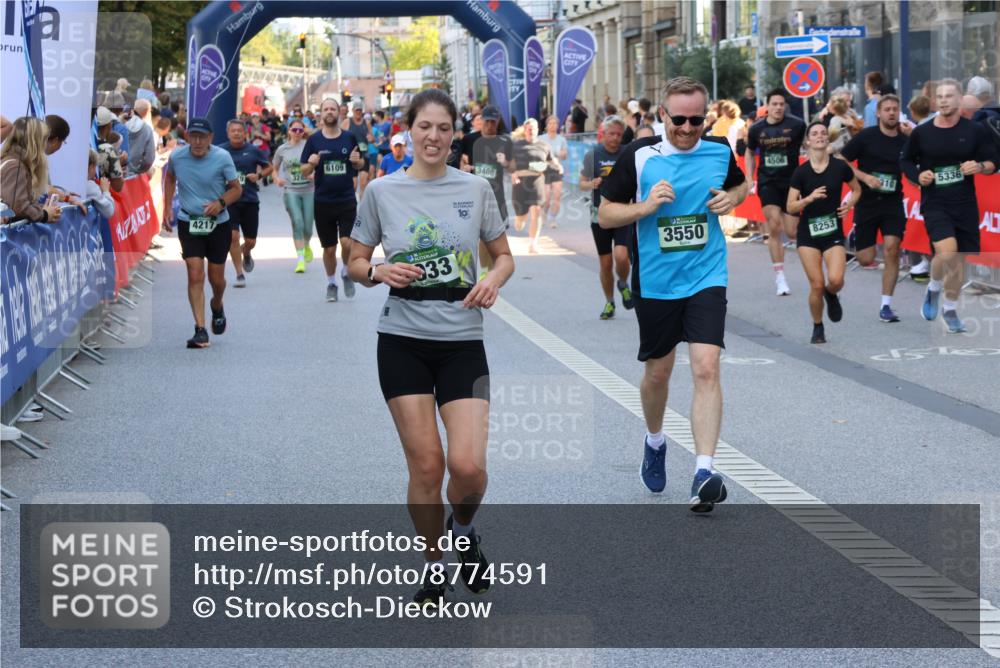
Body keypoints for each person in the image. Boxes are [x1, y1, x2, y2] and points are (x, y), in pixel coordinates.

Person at [347, 88, 514, 607]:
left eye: (443, 128)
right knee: (426, 466)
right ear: (409, 130)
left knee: (468, 467)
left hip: (462, 340)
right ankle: (434, 566)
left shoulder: (475, 189)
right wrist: (376, 271)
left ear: (454, 133)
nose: (434, 137)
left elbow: (504, 256)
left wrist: (492, 280)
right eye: (425, 127)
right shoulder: (381, 191)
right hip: (402, 340)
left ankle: (463, 531)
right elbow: (354, 260)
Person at [598, 76, 748, 511]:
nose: (686, 128)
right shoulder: (639, 155)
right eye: (678, 119)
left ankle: (704, 472)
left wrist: (732, 198)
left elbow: (741, 184)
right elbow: (605, 214)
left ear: (706, 118)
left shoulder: (719, 150)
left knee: (706, 368)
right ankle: (655, 440)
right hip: (656, 282)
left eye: (695, 120)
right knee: (658, 374)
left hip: (707, 274)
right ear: (663, 115)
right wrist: (645, 207)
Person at [901, 78, 998, 333]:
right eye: (940, 96)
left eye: (949, 96)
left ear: (960, 99)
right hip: (936, 202)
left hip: (965, 204)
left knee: (959, 264)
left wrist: (980, 166)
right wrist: (918, 176)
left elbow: (993, 161)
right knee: (947, 253)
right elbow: (906, 161)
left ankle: (951, 309)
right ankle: (934, 287)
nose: (943, 100)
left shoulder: (975, 130)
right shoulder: (922, 132)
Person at [161, 118, 242, 349]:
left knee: (217, 279)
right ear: (187, 137)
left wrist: (220, 203)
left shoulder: (222, 157)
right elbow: (170, 177)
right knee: (195, 273)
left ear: (210, 138)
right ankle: (200, 329)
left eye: (202, 137)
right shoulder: (177, 157)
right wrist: (167, 207)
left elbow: (236, 189)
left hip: (218, 224)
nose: (197, 141)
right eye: (193, 136)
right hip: (189, 221)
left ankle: (217, 304)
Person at [787, 123, 861, 343]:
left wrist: (848, 206)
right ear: (808, 141)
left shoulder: (840, 167)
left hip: (832, 231)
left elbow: (857, 190)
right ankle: (818, 326)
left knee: (836, 280)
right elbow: (790, 206)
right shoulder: (801, 172)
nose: (819, 136)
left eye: (823, 133)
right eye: (814, 134)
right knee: (817, 284)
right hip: (808, 234)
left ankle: (832, 293)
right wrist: (808, 199)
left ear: (828, 139)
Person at [838, 94, 909, 322]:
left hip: (892, 202)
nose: (891, 113)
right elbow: (841, 159)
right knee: (865, 258)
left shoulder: (905, 140)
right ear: (878, 113)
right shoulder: (866, 136)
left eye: (895, 109)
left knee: (892, 249)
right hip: (867, 202)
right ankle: (856, 236)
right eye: (887, 109)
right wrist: (864, 177)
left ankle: (886, 305)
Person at [300, 97, 366, 302]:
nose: (329, 112)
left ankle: (346, 271)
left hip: (346, 199)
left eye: (333, 109)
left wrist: (357, 162)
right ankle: (331, 283)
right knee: (329, 249)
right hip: (323, 201)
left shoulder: (349, 137)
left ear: (339, 113)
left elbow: (360, 163)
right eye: (326, 109)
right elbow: (303, 171)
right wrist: (311, 164)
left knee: (347, 242)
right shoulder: (314, 140)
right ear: (321, 114)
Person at [745, 89, 806, 296]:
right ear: (768, 106)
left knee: (791, 231)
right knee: (774, 224)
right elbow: (749, 152)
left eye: (781, 104)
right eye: (775, 104)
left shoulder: (797, 125)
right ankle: (780, 277)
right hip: (768, 181)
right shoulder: (756, 129)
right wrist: (749, 177)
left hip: (792, 183)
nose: (778, 107)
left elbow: (807, 146)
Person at [581, 115, 632, 320]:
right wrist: (591, 183)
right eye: (612, 134)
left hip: (622, 211)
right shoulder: (593, 154)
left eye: (619, 135)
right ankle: (609, 302)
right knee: (605, 263)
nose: (615, 138)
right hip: (599, 213)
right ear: (603, 134)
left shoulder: (627, 153)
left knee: (621, 255)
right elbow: (581, 183)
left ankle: (623, 283)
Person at [460, 105, 512, 274]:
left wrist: (505, 162)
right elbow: (459, 161)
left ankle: (487, 272)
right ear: (481, 120)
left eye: (493, 122)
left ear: (498, 122)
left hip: (496, 195)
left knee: (491, 236)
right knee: (477, 236)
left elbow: (513, 167)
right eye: (487, 121)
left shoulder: (505, 141)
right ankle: (482, 271)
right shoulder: (469, 139)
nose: (490, 125)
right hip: (472, 194)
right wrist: (464, 167)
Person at [220, 119, 271, 287]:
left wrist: (259, 176)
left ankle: (246, 252)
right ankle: (239, 274)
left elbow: (269, 167)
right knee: (233, 237)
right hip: (229, 200)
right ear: (228, 133)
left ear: (244, 133)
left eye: (239, 131)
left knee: (251, 241)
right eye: (233, 131)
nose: (236, 133)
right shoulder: (220, 151)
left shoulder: (253, 150)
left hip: (249, 199)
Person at [508, 119, 561, 253]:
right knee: (521, 218)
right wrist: (512, 173)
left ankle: (533, 244)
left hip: (537, 181)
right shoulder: (517, 145)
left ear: (538, 130)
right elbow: (510, 163)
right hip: (520, 182)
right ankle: (519, 219)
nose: (531, 130)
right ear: (525, 130)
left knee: (536, 212)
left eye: (533, 128)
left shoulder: (544, 145)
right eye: (528, 128)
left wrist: (558, 166)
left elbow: (551, 160)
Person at [271, 118, 315, 273]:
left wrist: (314, 174)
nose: (297, 132)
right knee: (297, 222)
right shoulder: (282, 149)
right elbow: (274, 168)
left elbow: (317, 165)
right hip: (291, 190)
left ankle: (307, 244)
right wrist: (277, 179)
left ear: (303, 132)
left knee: (308, 228)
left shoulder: (309, 146)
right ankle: (300, 259)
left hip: (309, 189)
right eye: (294, 130)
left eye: (300, 130)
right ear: (289, 131)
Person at [0, 117, 62, 223]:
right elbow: (17, 208)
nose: (46, 145)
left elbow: (15, 206)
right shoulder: (15, 167)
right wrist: (44, 214)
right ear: (35, 142)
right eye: (44, 139)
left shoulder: (12, 162)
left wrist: (40, 210)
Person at [538, 115, 568, 228]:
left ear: (558, 126)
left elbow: (564, 155)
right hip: (544, 170)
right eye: (550, 123)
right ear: (546, 126)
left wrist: (555, 154)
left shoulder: (562, 139)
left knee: (556, 196)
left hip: (557, 169)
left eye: (555, 123)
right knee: (546, 198)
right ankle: (544, 214)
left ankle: (553, 219)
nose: (552, 125)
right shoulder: (541, 138)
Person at [346, 102, 373, 196]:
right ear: (353, 111)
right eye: (356, 110)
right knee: (353, 185)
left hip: (364, 155)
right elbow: (340, 135)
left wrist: (371, 138)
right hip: (352, 156)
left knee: (363, 183)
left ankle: (362, 204)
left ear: (362, 111)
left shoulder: (367, 123)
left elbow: (372, 138)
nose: (358, 112)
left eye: (360, 110)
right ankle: (352, 202)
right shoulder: (347, 122)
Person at [126, 99, 156, 176]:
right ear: (147, 112)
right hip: (133, 175)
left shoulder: (122, 122)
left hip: (116, 174)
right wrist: (139, 170)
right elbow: (149, 159)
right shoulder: (147, 129)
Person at [85, 149, 115, 219]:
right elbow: (109, 211)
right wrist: (106, 191)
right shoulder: (90, 186)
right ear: (91, 167)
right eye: (95, 167)